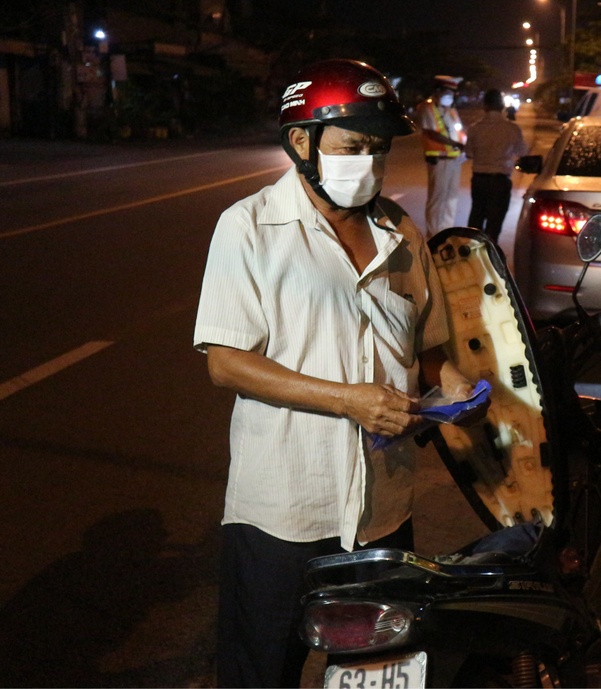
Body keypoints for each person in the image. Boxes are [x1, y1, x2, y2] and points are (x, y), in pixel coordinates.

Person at [194, 59, 473, 688]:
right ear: (302, 142)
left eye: (378, 148)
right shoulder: (249, 228)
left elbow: (425, 343)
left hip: (383, 508)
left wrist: (451, 383)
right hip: (284, 510)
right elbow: (226, 362)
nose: (370, 163)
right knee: (262, 672)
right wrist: (348, 400)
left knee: (381, 674)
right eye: (352, 146)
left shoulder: (401, 231)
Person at [464, 89, 529, 242]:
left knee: (475, 221)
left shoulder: (474, 128)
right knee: (494, 225)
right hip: (500, 182)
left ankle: (471, 257)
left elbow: (469, 154)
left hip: (479, 180)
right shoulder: (512, 128)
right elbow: (522, 152)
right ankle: (489, 259)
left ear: (485, 106)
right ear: (502, 107)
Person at [417, 75, 466, 236]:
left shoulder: (451, 111)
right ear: (438, 91)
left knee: (451, 199)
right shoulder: (427, 108)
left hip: (454, 159)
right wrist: (456, 144)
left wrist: (465, 146)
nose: (450, 96)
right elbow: (431, 132)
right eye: (448, 92)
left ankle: (447, 233)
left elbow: (459, 132)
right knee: (437, 200)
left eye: (452, 93)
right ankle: (433, 236)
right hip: (438, 159)